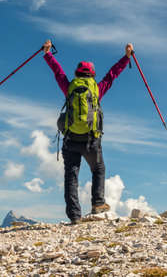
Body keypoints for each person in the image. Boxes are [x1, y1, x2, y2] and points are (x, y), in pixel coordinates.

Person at [42, 40, 132, 224]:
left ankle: (75, 216)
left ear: (76, 74)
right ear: (92, 75)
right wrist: (126, 57)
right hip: (92, 140)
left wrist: (48, 54)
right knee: (98, 169)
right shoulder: (96, 89)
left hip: (71, 140)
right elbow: (111, 75)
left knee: (71, 176)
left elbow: (58, 72)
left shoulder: (70, 88)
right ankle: (98, 203)